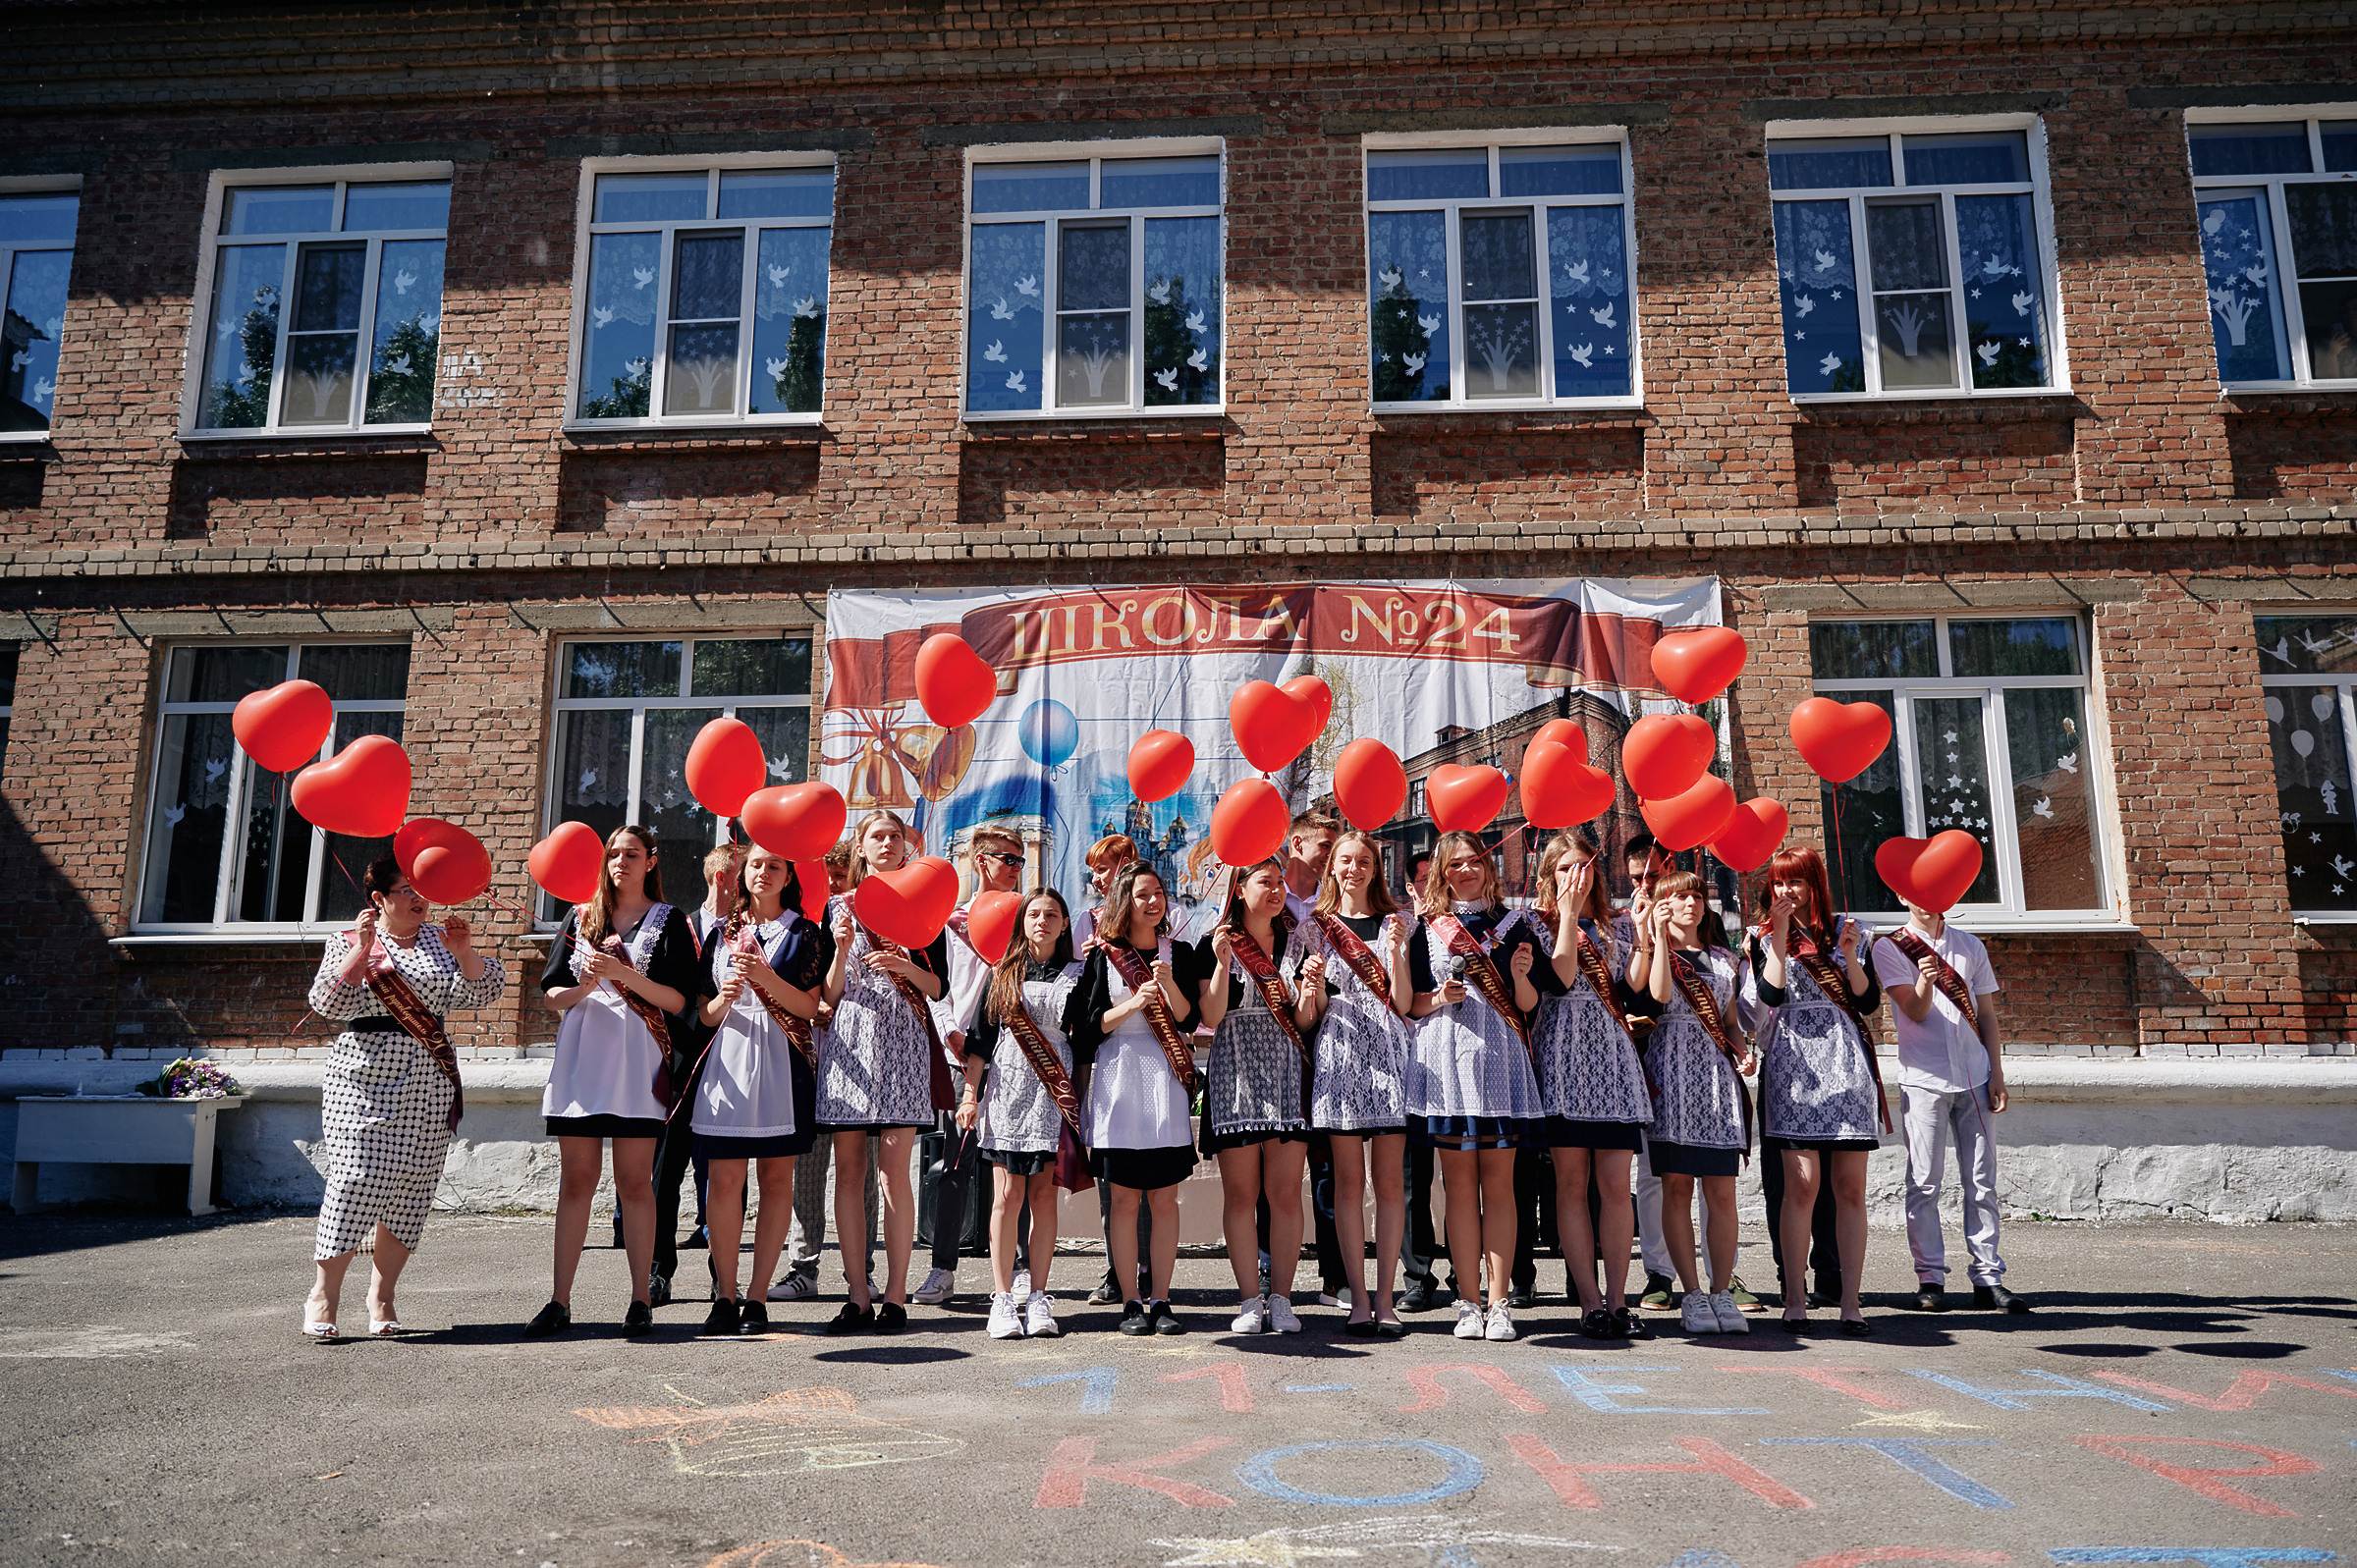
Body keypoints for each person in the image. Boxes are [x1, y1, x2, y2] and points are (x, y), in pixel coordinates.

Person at [301, 856, 506, 1338]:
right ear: (379, 899)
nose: (419, 900)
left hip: (430, 1080)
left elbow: (486, 990)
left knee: (412, 1187)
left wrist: (464, 952)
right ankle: (323, 1296)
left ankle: (383, 1295)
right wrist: (362, 950)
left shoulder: (439, 940)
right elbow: (327, 1003)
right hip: (364, 1079)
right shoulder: (350, 941)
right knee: (355, 1179)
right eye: (406, 890)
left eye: (422, 891)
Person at [533, 826, 698, 1338]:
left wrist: (624, 974)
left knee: (634, 1183)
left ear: (651, 860)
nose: (620, 862)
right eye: (613, 854)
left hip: (635, 1063)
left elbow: (678, 1001)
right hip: (582, 1061)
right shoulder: (581, 917)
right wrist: (584, 986)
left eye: (631, 854)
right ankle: (559, 1301)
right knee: (576, 1181)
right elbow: (551, 996)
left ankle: (640, 1300)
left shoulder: (669, 920)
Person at [1406, 831, 1544, 1344]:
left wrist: (1522, 976)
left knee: (1500, 1187)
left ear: (1489, 868)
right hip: (1447, 1062)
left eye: (1474, 862)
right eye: (1455, 864)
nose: (1466, 871)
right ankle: (1467, 1301)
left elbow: (1528, 1006)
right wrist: (1440, 997)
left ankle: (1499, 1301)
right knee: (1459, 1187)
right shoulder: (1426, 929)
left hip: (1500, 1060)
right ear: (1442, 873)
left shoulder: (1514, 925)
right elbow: (1411, 1004)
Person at [818, 810, 950, 1334]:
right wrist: (841, 949)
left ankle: (896, 1294)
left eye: (895, 836)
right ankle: (857, 1293)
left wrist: (904, 967)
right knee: (849, 1172)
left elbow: (938, 987)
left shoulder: (924, 902)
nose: (888, 843)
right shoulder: (838, 907)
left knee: (894, 1172)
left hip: (902, 1042)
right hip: (851, 1041)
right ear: (861, 847)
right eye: (878, 836)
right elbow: (828, 993)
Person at [691, 846, 828, 1335]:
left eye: (774, 866)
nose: (764, 872)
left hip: (781, 1061)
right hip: (728, 1059)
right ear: (741, 874)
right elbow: (703, 1014)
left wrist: (766, 978)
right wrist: (722, 1001)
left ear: (789, 875)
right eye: (755, 865)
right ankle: (724, 1295)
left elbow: (810, 1008)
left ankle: (757, 1297)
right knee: (724, 1181)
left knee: (775, 1180)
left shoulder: (804, 932)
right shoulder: (721, 933)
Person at [1748, 846, 1884, 1335]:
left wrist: (1848, 954)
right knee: (1801, 1186)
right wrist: (1781, 936)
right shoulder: (1763, 936)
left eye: (1796, 882)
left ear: (1815, 885)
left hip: (1846, 1062)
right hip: (1795, 1064)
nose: (1787, 891)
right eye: (1779, 882)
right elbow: (1770, 995)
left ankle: (1850, 1301)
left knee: (1850, 1188)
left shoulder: (1853, 932)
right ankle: (1794, 1298)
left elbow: (1868, 1002)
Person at [1874, 893, 2029, 1314]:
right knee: (1925, 1181)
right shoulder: (1890, 947)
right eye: (1916, 891)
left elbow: (1987, 1014)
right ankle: (1930, 1278)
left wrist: (1996, 1073)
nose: (1926, 900)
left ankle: (1988, 1278)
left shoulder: (1969, 945)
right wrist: (1925, 980)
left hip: (1975, 1075)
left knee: (1981, 1180)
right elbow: (1915, 1010)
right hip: (1924, 1079)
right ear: (1902, 895)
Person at [1068, 860, 1200, 1335]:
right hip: (1119, 1079)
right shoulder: (1103, 957)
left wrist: (1168, 985)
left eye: (1158, 893)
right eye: (1142, 894)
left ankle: (1161, 1298)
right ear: (1125, 901)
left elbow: (1189, 1019)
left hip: (1165, 1080)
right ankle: (1129, 1301)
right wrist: (1133, 1003)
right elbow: (1088, 1028)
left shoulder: (1179, 953)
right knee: (1123, 1201)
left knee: (1164, 1199)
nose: (1153, 901)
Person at [1530, 830, 1651, 1340]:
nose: (1575, 876)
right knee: (1571, 1184)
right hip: (1562, 1057)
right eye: (1564, 868)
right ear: (1548, 875)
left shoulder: (1615, 925)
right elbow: (1559, 979)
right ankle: (1589, 1301)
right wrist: (1567, 915)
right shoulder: (1534, 924)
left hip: (1611, 1058)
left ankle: (1619, 1299)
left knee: (1616, 1186)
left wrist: (1643, 936)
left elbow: (1635, 989)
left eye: (1582, 866)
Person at [1295, 828, 1414, 1337]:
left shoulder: (1397, 922)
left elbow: (1404, 1003)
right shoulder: (1314, 929)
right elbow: (1309, 1016)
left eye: (1364, 861)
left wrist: (1399, 953)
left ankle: (1386, 1298)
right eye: (1345, 860)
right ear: (1332, 867)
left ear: (1376, 868)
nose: (1354, 869)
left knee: (1389, 1184)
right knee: (1347, 1183)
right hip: (1340, 1053)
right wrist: (1312, 987)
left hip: (1388, 1050)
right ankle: (1358, 1299)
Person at [1627, 868, 1755, 1338]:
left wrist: (1742, 1051)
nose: (1691, 904)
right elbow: (1659, 994)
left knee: (1721, 1190)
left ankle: (1722, 1290)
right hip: (1672, 1075)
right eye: (1680, 897)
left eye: (1697, 896)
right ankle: (1692, 1293)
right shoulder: (1658, 952)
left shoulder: (1723, 959)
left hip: (1716, 1079)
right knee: (1677, 1188)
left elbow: (1729, 1020)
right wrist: (1659, 937)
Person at [957, 888, 1085, 1338]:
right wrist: (970, 1096)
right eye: (1034, 914)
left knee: (1043, 1196)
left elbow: (1086, 1039)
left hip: (1053, 1090)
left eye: (1052, 914)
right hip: (1008, 1088)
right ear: (1022, 922)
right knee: (1007, 1196)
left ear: (1064, 924)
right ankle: (1002, 1298)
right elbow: (979, 1041)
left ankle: (1039, 1297)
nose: (1042, 921)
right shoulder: (1001, 972)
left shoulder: (1080, 974)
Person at [1196, 857, 1315, 1335]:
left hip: (1286, 1072)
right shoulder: (1216, 942)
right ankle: (1249, 1297)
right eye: (1265, 881)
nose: (1277, 890)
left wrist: (1309, 993)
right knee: (1242, 1194)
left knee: (1285, 1193)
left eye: (1280, 882)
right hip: (1236, 1072)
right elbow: (1211, 1015)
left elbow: (1303, 1020)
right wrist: (1223, 963)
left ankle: (1282, 1297)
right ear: (1240, 889)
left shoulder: (1297, 943)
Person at [913, 825, 1030, 1309]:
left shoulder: (1028, 918)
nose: (1016, 868)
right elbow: (936, 988)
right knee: (954, 1165)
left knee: (1017, 1167)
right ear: (982, 861)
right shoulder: (949, 922)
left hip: (1018, 1055)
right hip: (962, 1057)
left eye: (1021, 860)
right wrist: (950, 1034)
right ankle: (943, 1268)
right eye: (1008, 859)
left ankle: (1021, 1269)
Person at [773, 841, 878, 1303]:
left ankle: (864, 1270)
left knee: (863, 1173)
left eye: (841, 877)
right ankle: (803, 1267)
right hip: (813, 1060)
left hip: (861, 1061)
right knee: (809, 1169)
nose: (834, 885)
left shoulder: (868, 920)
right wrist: (810, 1004)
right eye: (828, 877)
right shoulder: (803, 927)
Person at [645, 842, 744, 1295]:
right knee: (665, 1172)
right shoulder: (677, 926)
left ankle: (723, 1275)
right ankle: (658, 1268)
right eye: (745, 873)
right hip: (681, 1062)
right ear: (723, 877)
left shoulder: (748, 931)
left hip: (735, 1064)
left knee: (729, 1175)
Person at [1072, 833, 1152, 1306]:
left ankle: (1149, 1267)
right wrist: (1085, 963)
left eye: (1104, 868)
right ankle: (1116, 1268)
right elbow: (1074, 990)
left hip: (1154, 1053)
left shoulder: (1162, 920)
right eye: (1094, 871)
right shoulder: (1086, 921)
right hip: (1102, 1051)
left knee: (1150, 1170)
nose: (1097, 878)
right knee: (1112, 1169)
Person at [1277, 812, 1347, 1310]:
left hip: (1330, 1041)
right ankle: (1267, 1273)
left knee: (1328, 1167)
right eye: (1325, 846)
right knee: (1272, 1165)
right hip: (1274, 1044)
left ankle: (1335, 1277)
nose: (1330, 856)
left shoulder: (1336, 903)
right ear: (1296, 843)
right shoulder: (1262, 892)